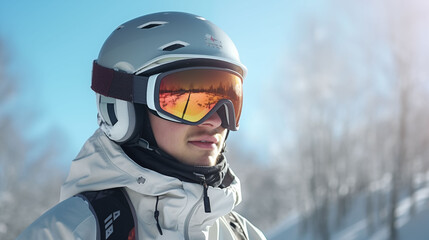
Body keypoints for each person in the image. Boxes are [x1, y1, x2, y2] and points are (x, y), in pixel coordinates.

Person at [17, 11, 266, 240]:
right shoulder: (67, 233)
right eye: (187, 99)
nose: (215, 121)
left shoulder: (246, 235)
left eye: (230, 99)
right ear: (122, 108)